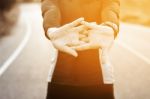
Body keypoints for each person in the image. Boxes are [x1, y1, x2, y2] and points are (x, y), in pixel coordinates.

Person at [41, 0, 120, 99]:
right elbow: (50, 6)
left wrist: (110, 24)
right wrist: (51, 27)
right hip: (61, 74)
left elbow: (110, 6)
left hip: (99, 76)